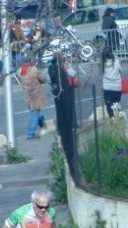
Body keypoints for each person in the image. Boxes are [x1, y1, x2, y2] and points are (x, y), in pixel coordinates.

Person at [48, 51, 81, 183]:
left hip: (56, 92)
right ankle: (71, 124)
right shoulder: (64, 67)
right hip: (66, 90)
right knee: (69, 110)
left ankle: (62, 127)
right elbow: (72, 74)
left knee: (59, 111)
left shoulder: (51, 68)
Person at [20, 56, 48, 139]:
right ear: (29, 62)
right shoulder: (34, 70)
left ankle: (40, 121)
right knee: (35, 113)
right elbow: (43, 79)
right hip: (36, 94)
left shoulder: (20, 71)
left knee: (34, 112)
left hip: (27, 95)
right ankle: (30, 133)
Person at [100, 47, 122, 119]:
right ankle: (118, 120)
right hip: (117, 87)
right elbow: (120, 71)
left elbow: (101, 74)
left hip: (106, 88)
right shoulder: (116, 62)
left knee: (109, 108)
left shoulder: (102, 64)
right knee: (117, 105)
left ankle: (112, 121)